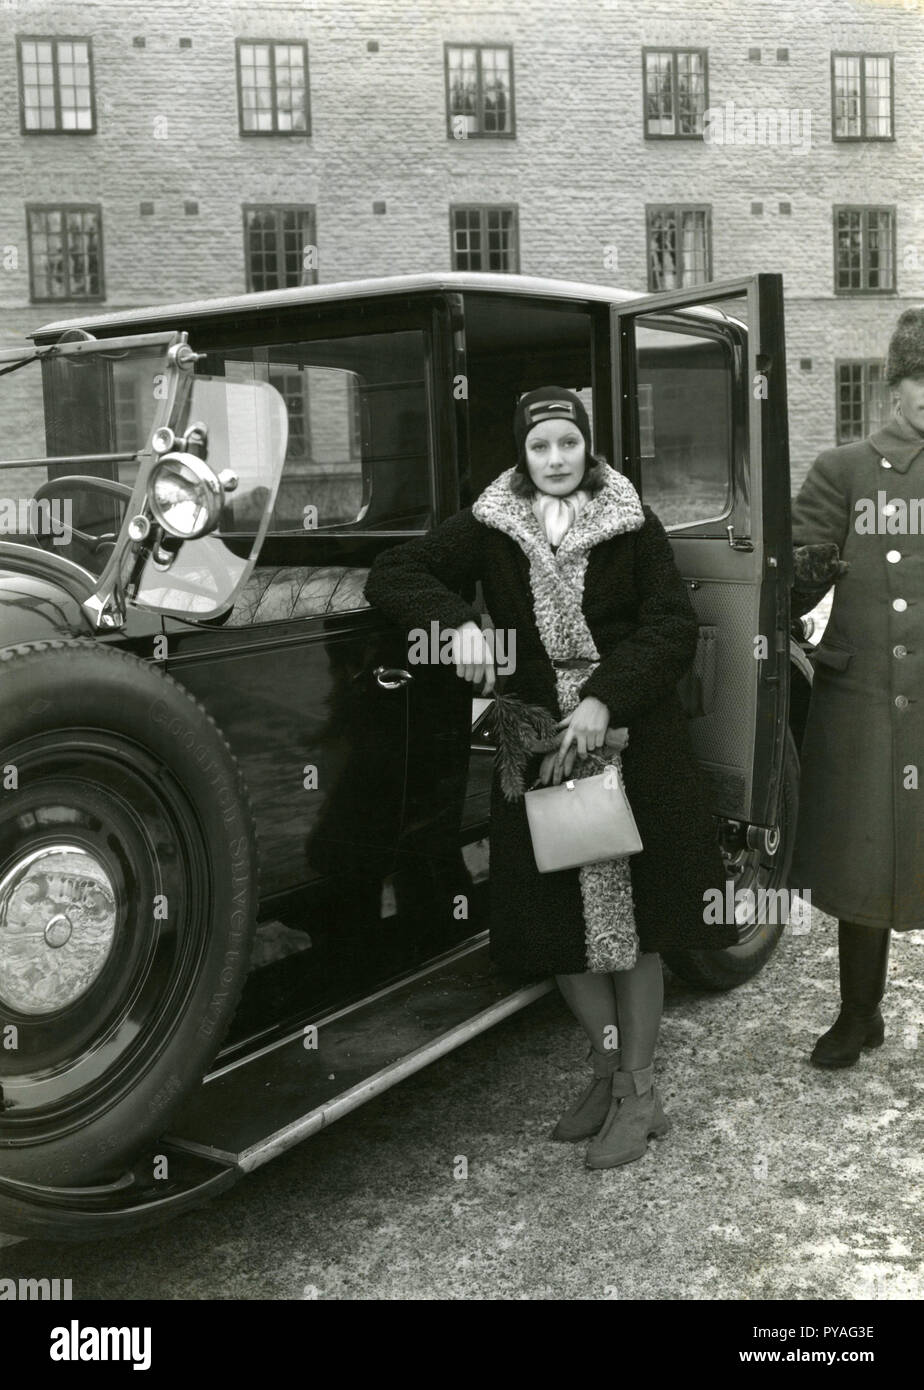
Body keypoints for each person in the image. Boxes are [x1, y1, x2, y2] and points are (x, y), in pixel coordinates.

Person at [365, 386, 733, 1168]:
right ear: (522, 456)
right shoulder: (493, 524)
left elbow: (671, 627)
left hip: (634, 741)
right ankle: (606, 1070)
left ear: (588, 447)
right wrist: (456, 622)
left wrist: (605, 697)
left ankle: (640, 1090)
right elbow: (394, 571)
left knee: (634, 928)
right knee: (561, 926)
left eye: (569, 443)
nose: (556, 459)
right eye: (541, 447)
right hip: (540, 743)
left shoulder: (632, 522)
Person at [790, 307, 924, 1067]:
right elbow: (797, 575)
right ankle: (858, 1013)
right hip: (868, 697)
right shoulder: (844, 470)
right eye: (919, 380)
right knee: (863, 860)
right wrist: (803, 575)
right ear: (895, 387)